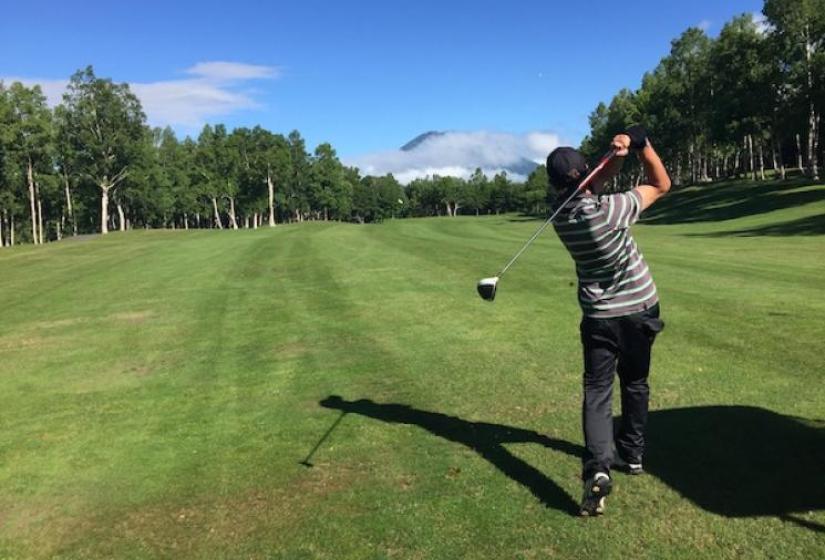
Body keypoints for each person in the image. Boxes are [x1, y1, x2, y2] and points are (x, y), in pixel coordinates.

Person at [545, 126, 671, 516]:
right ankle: (631, 454)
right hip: (639, 310)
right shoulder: (611, 209)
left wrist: (615, 155)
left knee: (597, 391)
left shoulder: (558, 215)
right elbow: (661, 184)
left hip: (599, 317)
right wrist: (642, 143)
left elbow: (590, 183)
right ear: (585, 172)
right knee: (635, 383)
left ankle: (599, 467)